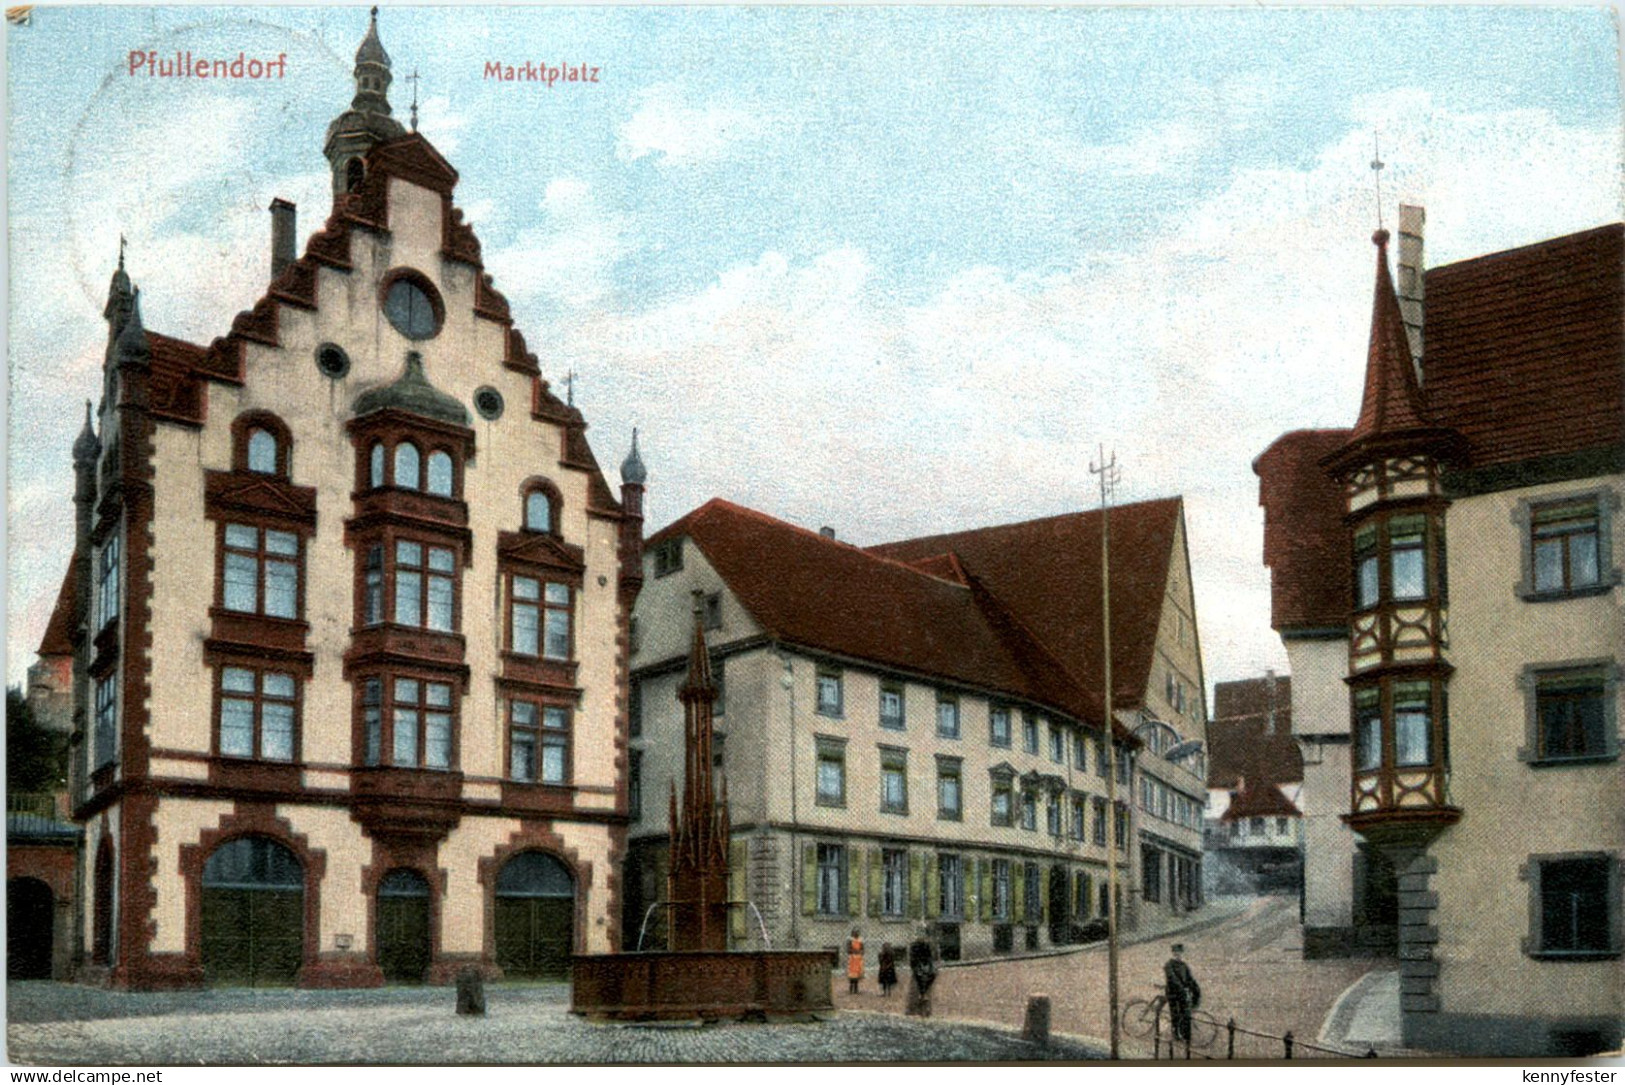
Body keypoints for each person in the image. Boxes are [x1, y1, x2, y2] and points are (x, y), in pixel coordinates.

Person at [1163, 943, 1202, 1049]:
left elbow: (1190, 979)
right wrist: (1182, 989)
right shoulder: (1168, 965)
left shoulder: (1184, 965)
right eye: (1175, 952)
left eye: (1179, 953)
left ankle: (1186, 1036)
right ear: (1172, 953)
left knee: (1186, 1013)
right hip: (1173, 993)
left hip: (1182, 993)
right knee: (1175, 1014)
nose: (1177, 955)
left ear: (1181, 953)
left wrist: (1196, 989)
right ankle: (1176, 1035)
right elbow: (1173, 979)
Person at [907, 928, 936, 1017]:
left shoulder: (926, 945)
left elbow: (929, 957)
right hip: (917, 965)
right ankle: (921, 994)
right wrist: (915, 966)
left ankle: (924, 994)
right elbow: (912, 958)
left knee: (931, 975)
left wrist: (929, 965)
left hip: (925, 964)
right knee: (919, 977)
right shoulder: (914, 946)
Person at [846, 927, 864, 995]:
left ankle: (856, 988)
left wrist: (860, 952)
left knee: (857, 974)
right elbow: (848, 950)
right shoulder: (850, 940)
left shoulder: (860, 940)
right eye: (855, 932)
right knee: (852, 974)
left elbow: (862, 949)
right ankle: (851, 988)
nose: (857, 934)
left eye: (858, 932)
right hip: (852, 959)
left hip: (858, 959)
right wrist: (854, 951)